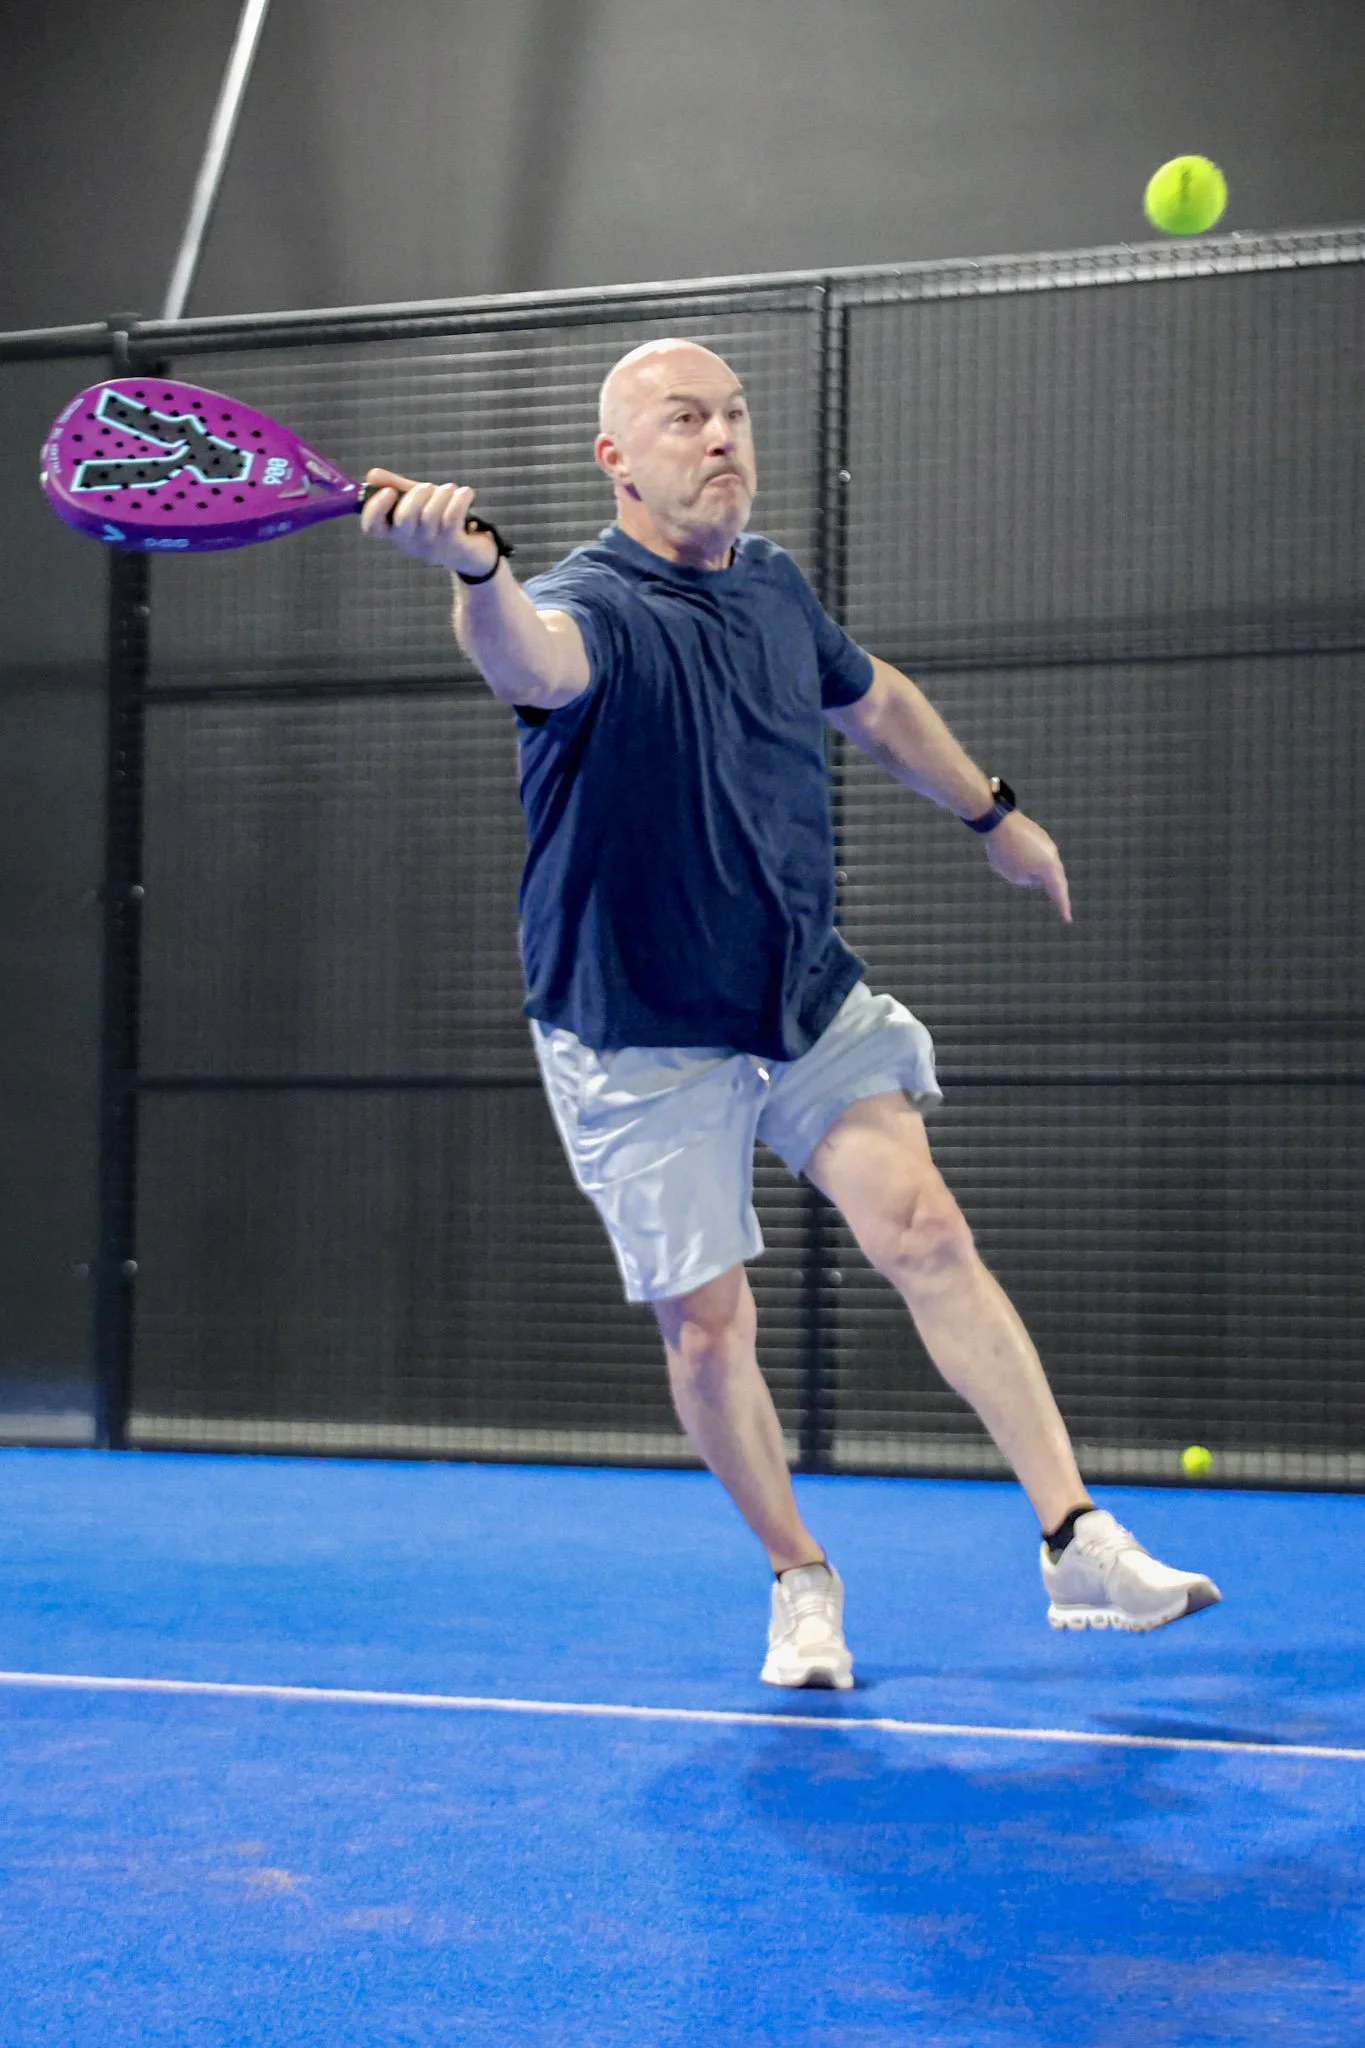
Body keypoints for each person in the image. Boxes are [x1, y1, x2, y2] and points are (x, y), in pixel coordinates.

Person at [360, 338, 1220, 1689]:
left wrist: (994, 817)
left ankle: (1073, 1535)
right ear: (617, 460)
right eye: (684, 418)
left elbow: (873, 701)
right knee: (710, 1330)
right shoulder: (589, 600)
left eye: (736, 415)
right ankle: (799, 1579)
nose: (721, 439)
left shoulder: (769, 586)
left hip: (792, 986)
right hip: (634, 1020)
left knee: (926, 1225)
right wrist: (475, 571)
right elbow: (527, 661)